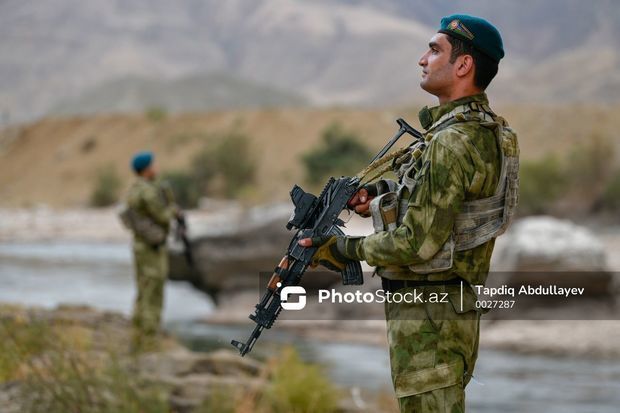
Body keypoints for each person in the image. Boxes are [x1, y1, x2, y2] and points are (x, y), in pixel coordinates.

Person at [300, 14, 519, 412]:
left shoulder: (450, 141)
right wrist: (379, 195)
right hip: (444, 314)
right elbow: (446, 204)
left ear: (463, 65)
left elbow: (418, 243)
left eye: (434, 51)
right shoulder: (482, 130)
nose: (422, 59)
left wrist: (342, 249)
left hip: (430, 323)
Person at [123, 151, 179, 353]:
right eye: (152, 165)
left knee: (143, 289)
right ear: (146, 169)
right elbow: (162, 216)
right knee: (153, 291)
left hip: (140, 247)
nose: (156, 168)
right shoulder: (148, 191)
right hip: (152, 248)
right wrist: (173, 210)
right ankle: (149, 338)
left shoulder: (134, 189)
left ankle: (137, 334)